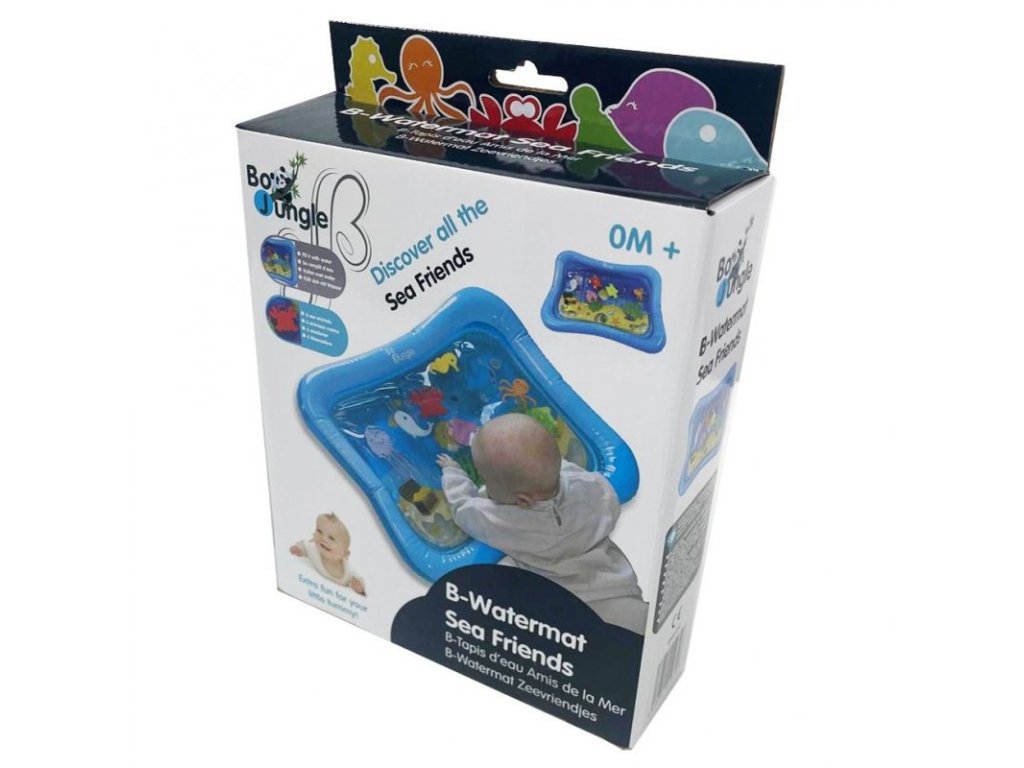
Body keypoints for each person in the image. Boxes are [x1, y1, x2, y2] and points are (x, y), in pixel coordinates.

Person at [437, 413, 647, 633]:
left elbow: (463, 509)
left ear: (522, 499)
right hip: (618, 587)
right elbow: (607, 502)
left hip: (568, 605)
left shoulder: (507, 521)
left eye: (486, 480)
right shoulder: (587, 484)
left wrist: (452, 473)